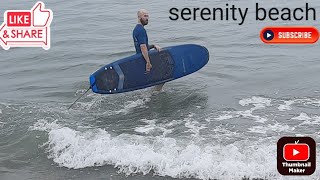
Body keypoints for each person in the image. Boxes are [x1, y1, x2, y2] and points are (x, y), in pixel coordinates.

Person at [133, 9, 164, 91]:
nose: (147, 18)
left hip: (140, 57)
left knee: (157, 78)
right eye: (145, 16)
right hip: (144, 59)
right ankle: (153, 95)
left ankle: (152, 94)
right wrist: (148, 62)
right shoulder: (141, 30)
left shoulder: (136, 29)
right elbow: (143, 47)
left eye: (147, 16)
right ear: (139, 17)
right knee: (163, 75)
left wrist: (153, 45)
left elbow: (142, 46)